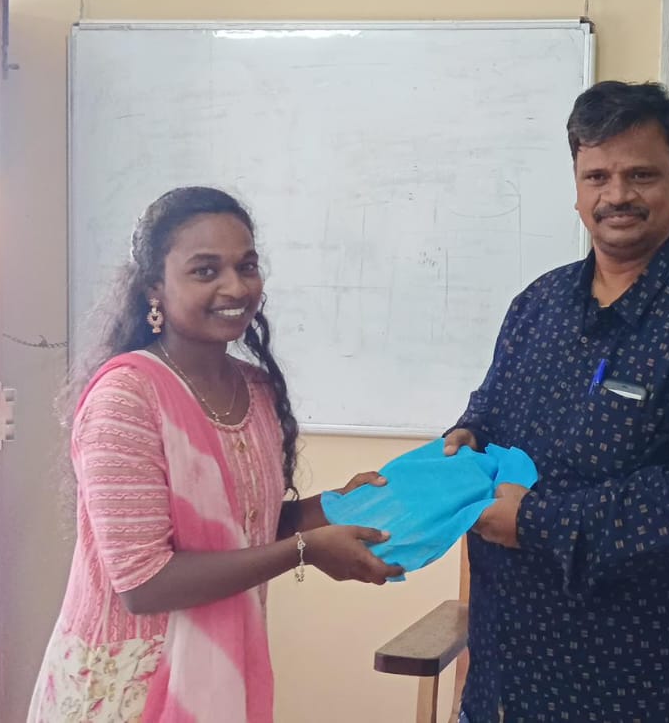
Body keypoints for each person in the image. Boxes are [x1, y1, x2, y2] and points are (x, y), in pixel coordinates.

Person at [444, 81, 669, 723]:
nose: (617, 196)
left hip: (655, 681)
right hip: (512, 670)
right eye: (597, 176)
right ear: (578, 186)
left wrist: (536, 522)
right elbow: (491, 407)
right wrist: (466, 436)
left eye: (640, 174)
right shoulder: (537, 305)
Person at [28, 186, 401, 723]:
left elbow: (244, 528)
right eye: (205, 271)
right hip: (126, 690)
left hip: (223, 681)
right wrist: (306, 550)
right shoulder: (125, 398)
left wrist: (332, 507)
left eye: (246, 266)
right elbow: (143, 584)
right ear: (154, 287)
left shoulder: (256, 389)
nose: (236, 286)